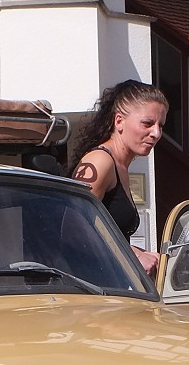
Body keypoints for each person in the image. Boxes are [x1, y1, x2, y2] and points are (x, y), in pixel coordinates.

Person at [72, 80, 167, 275]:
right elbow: (74, 230)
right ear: (119, 121)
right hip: (87, 288)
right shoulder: (100, 161)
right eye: (147, 123)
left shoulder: (120, 166)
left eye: (160, 125)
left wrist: (144, 255)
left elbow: (109, 235)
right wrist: (135, 256)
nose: (156, 133)